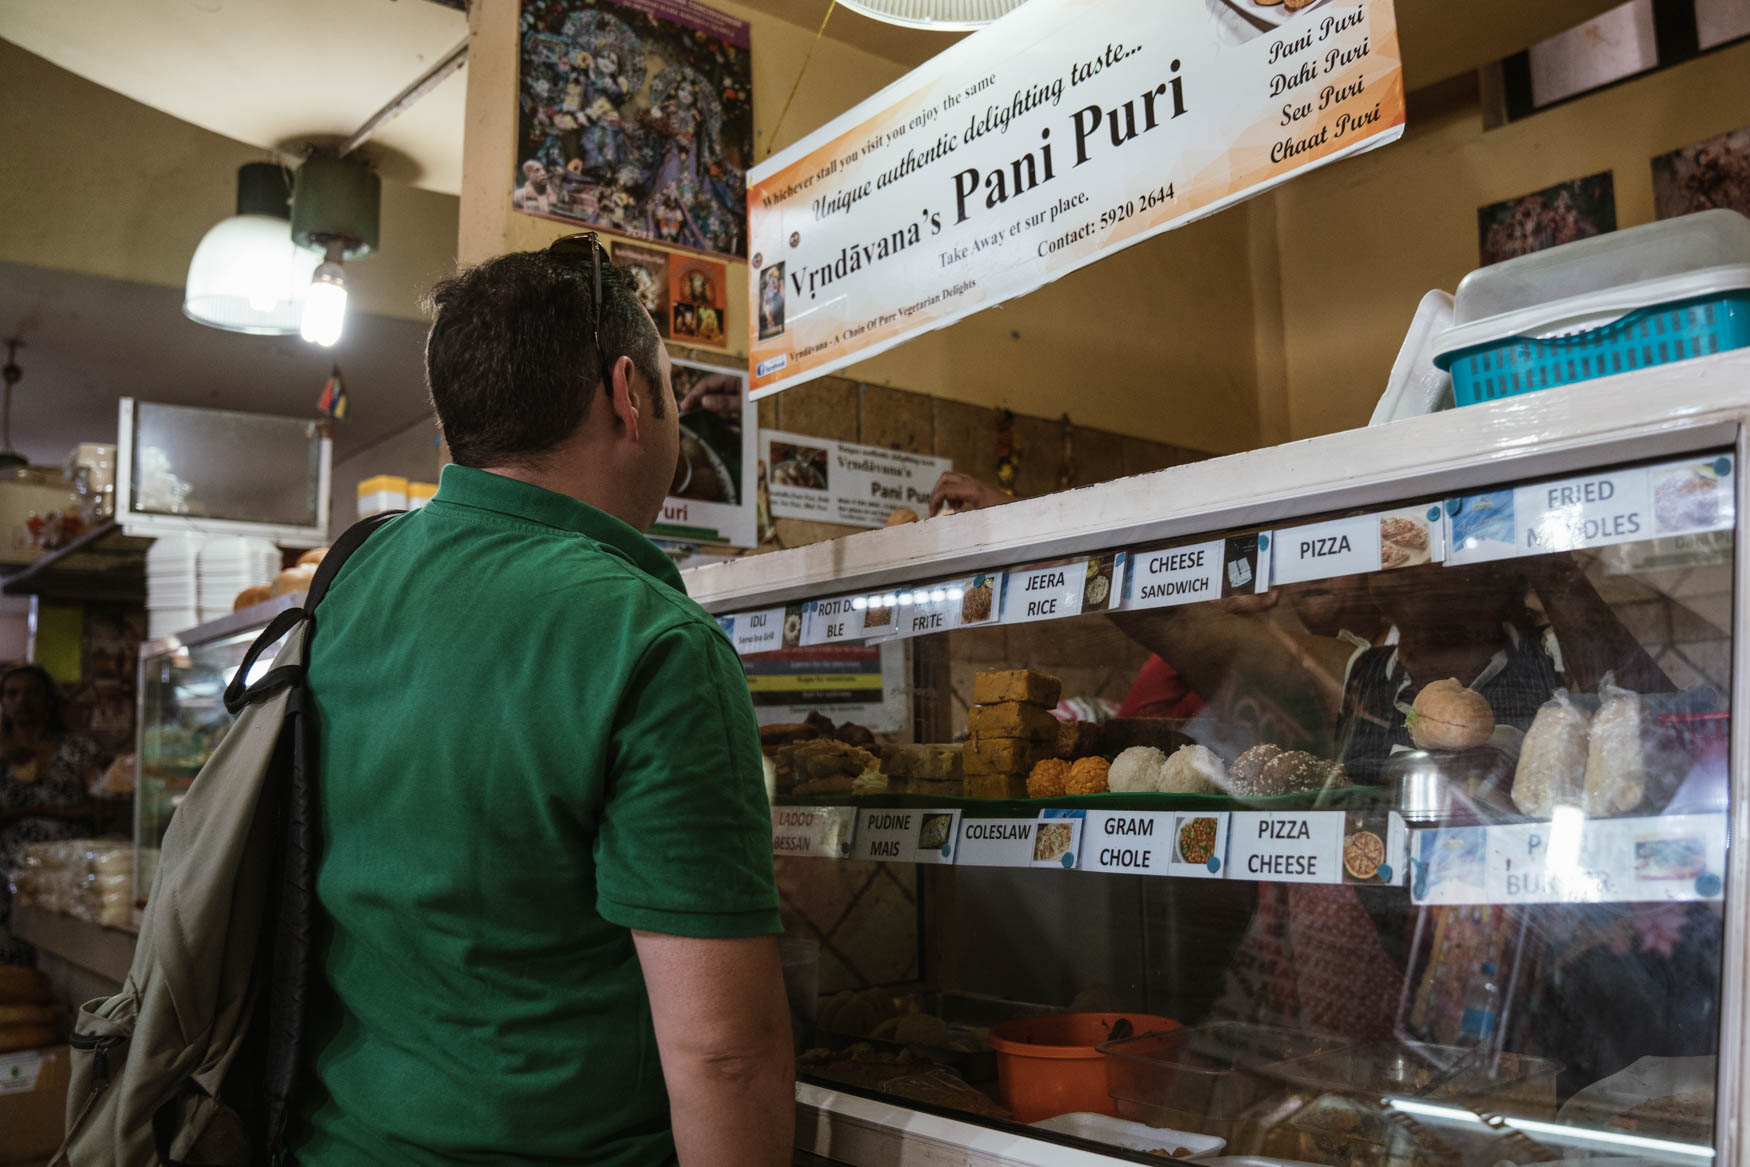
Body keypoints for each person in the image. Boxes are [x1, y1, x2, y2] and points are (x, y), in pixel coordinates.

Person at [292, 240, 793, 1167]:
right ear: (626, 395)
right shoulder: (653, 641)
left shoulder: (351, 582)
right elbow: (725, 1052)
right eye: (671, 387)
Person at [0, 664, 102, 965]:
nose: (22, 702)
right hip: (6, 874)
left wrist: (33, 810)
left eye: (32, 693)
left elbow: (101, 807)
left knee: (61, 957)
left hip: (65, 874)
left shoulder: (77, 749)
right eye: (12, 694)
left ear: (48, 700)